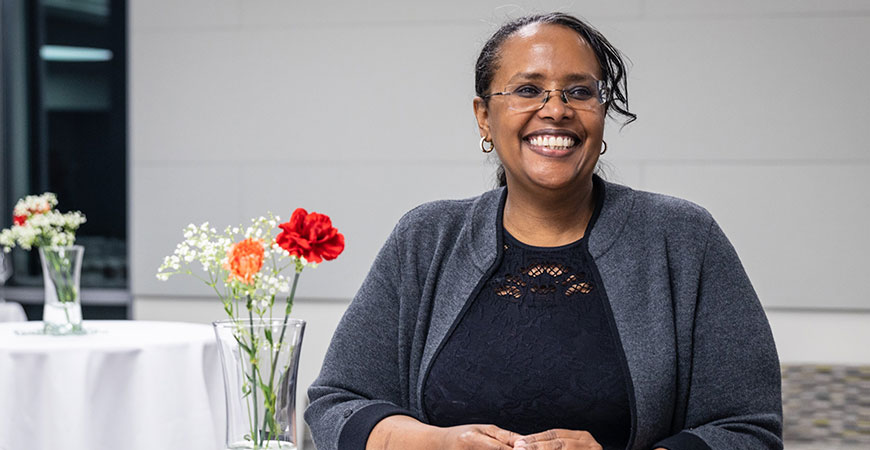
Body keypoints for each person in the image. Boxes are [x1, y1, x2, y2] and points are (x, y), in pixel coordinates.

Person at [305, 12, 782, 450]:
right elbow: (336, 403)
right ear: (484, 117)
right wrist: (439, 444)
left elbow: (748, 431)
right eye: (529, 89)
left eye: (580, 92)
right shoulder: (425, 239)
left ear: (602, 113)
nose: (556, 110)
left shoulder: (683, 240)